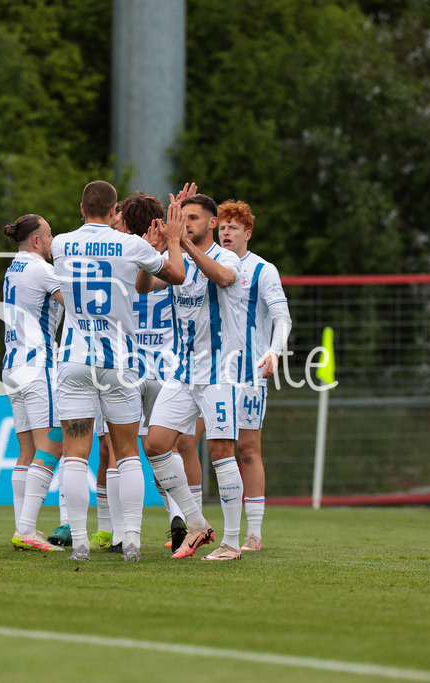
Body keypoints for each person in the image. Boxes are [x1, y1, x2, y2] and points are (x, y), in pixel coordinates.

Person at [51, 180, 189, 562]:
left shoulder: (60, 242)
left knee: (76, 455)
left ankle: (80, 541)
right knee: (128, 453)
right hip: (120, 362)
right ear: (115, 211)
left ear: (81, 208)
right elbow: (175, 275)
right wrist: (172, 239)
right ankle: (131, 539)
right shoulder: (132, 245)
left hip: (76, 359)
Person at [138, 192, 244, 561]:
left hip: (220, 372)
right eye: (183, 218)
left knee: (220, 452)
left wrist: (180, 242)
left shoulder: (224, 256)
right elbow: (143, 287)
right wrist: (152, 252)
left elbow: (226, 279)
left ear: (212, 223)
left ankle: (232, 543)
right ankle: (197, 524)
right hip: (182, 372)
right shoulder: (177, 258)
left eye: (195, 218)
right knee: (155, 445)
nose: (188, 224)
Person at [217, 200, 292, 551]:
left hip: (248, 372)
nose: (226, 232)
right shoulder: (209, 263)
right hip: (209, 370)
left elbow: (282, 317)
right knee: (205, 444)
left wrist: (274, 352)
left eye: (233, 227)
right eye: (222, 227)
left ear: (248, 233)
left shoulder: (263, 270)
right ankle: (193, 524)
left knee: (247, 449)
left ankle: (254, 532)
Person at [1, 214, 65, 552]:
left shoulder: (14, 267)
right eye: (50, 234)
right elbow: (77, 306)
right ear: (37, 241)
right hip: (38, 365)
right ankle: (26, 529)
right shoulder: (41, 269)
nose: (53, 241)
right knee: (52, 445)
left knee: (27, 450)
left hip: (12, 365)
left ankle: (23, 528)